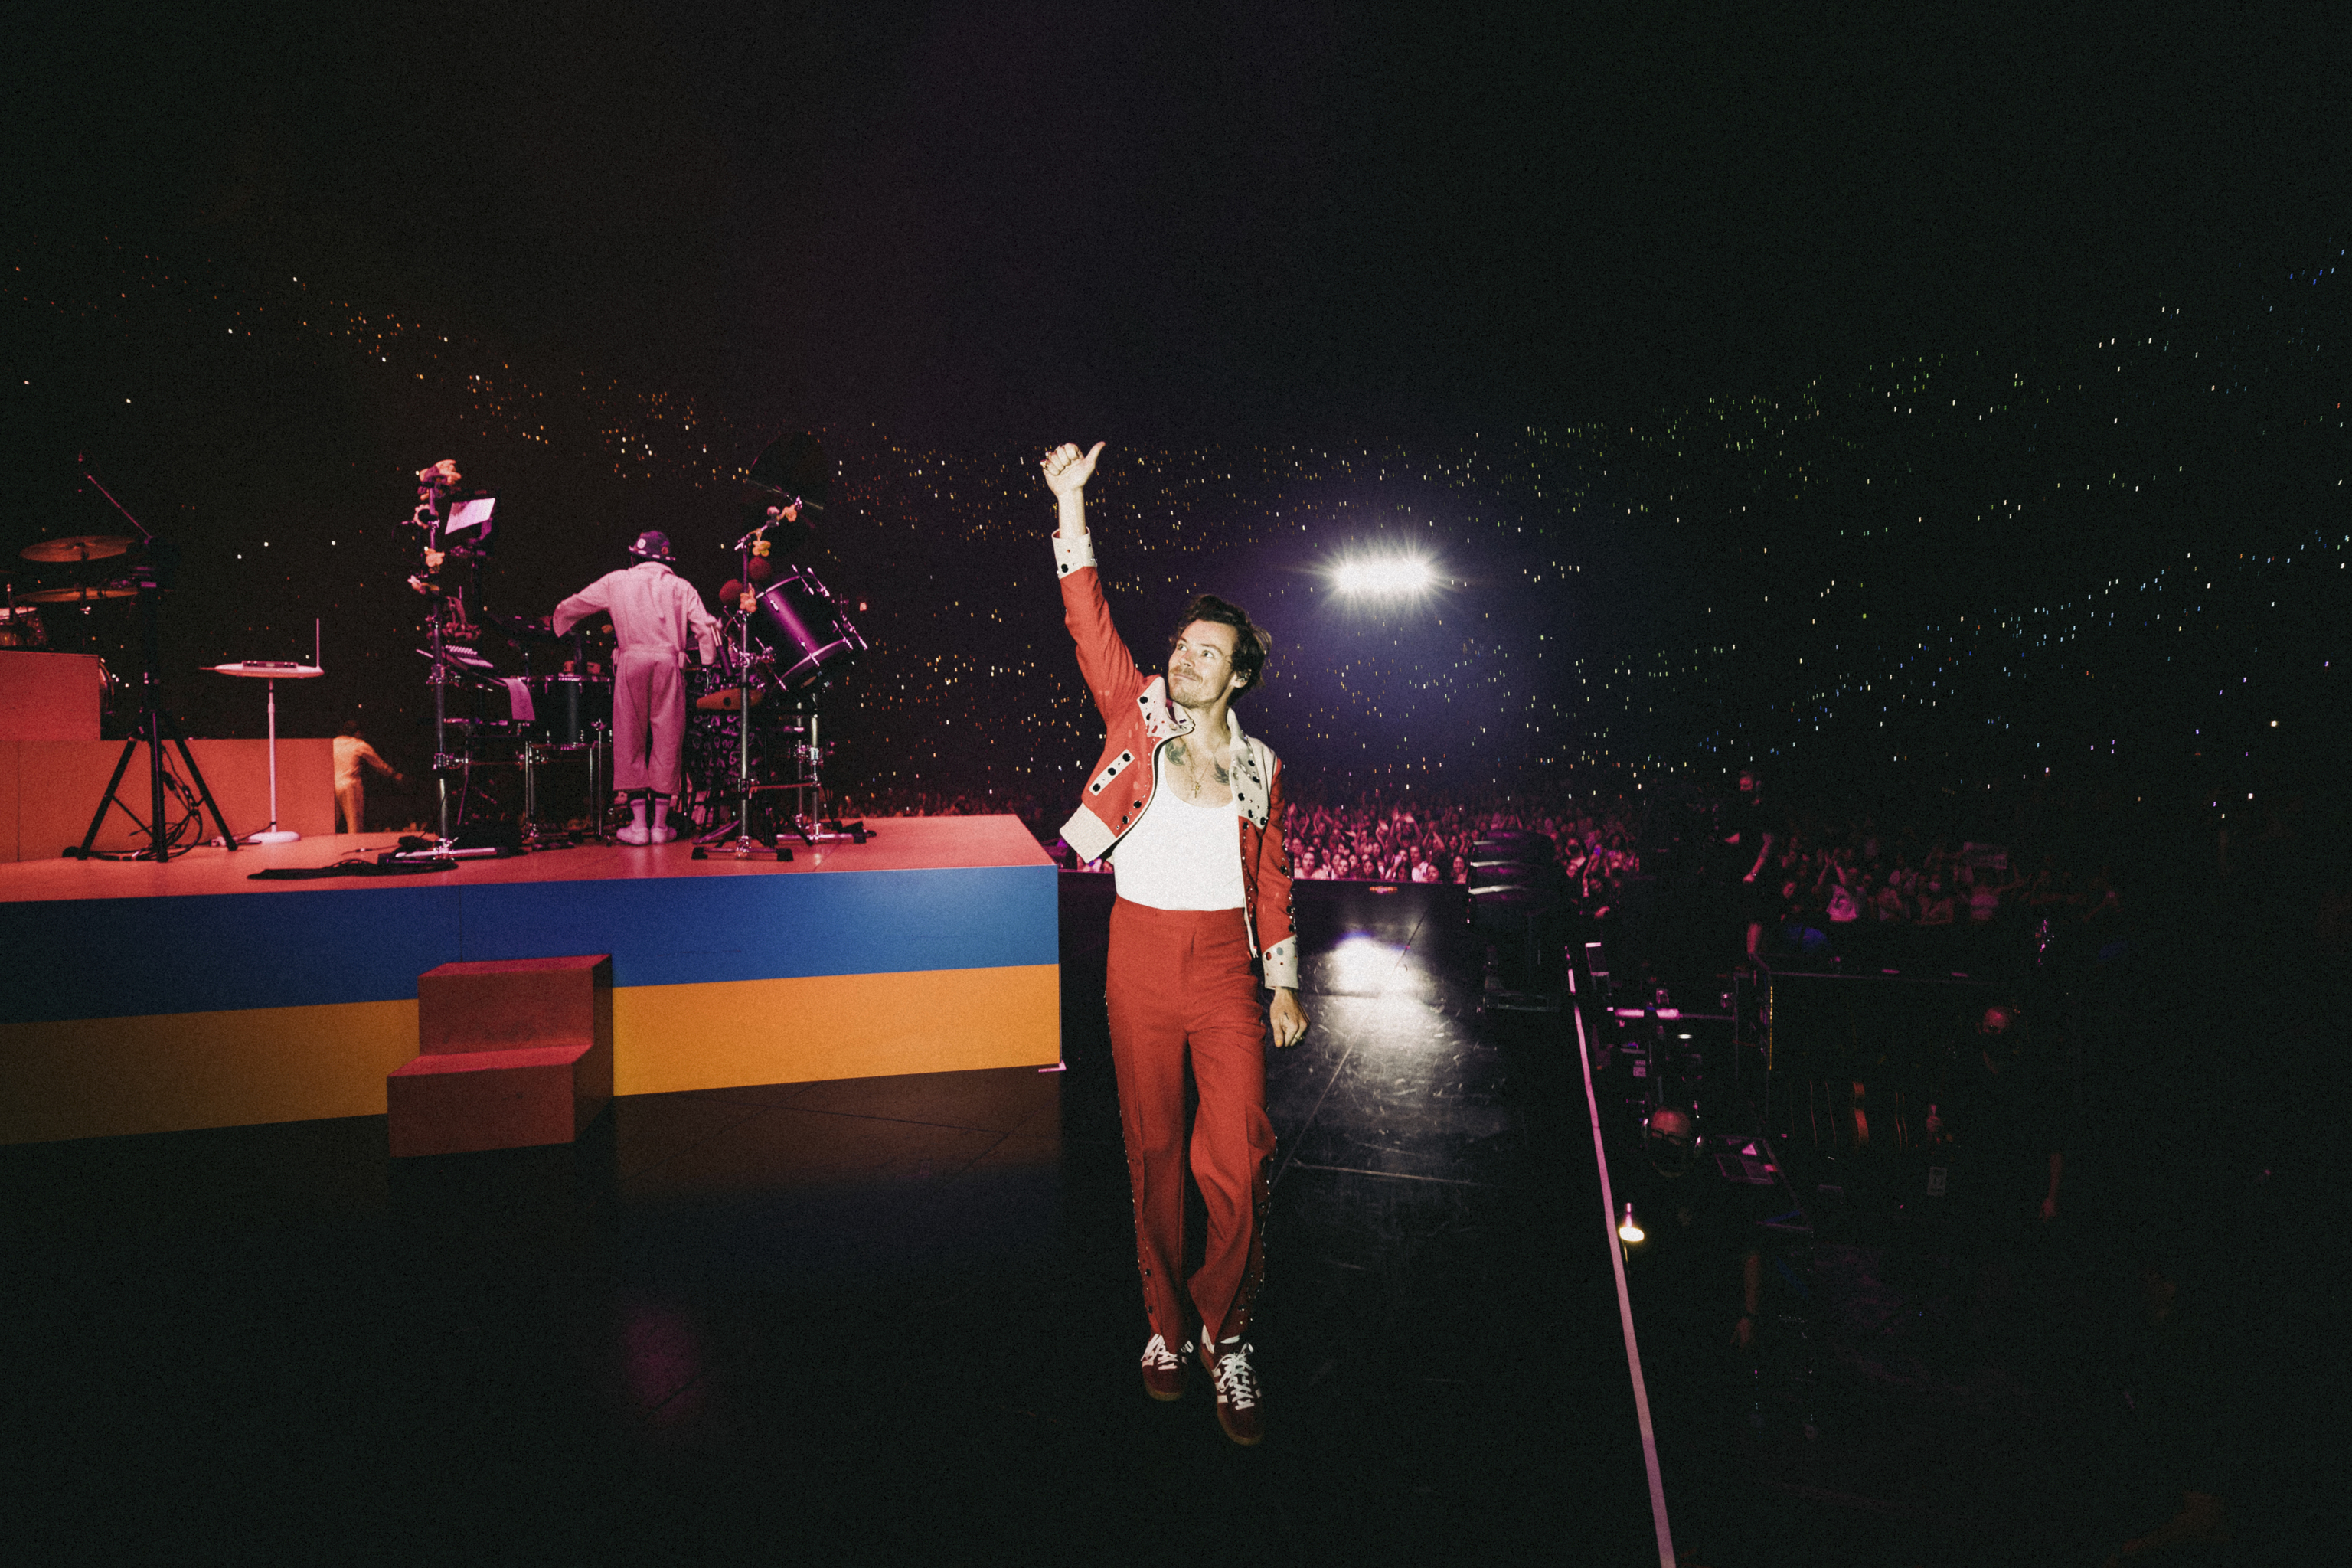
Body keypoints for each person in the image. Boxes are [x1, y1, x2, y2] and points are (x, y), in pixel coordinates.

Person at [1042, 439, 1306, 1448]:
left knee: (1234, 1156)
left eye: (1205, 651)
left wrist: (1280, 983)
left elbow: (1271, 878)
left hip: (1224, 974)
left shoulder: (1263, 767)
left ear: (1237, 674)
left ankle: (1224, 1333)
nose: (1183, 657)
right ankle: (1164, 1329)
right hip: (1140, 956)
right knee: (1153, 1153)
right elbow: (1086, 616)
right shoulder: (1134, 710)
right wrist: (1072, 505)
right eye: (1181, 645)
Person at [554, 529, 721, 844]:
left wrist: (559, 622)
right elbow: (705, 627)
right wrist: (709, 665)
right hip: (669, 663)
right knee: (668, 738)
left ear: (635, 556)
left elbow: (577, 604)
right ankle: (660, 826)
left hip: (631, 662)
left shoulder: (616, 580)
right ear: (668, 559)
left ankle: (638, 825)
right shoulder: (681, 586)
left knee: (630, 738)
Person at [332, 720, 402, 834]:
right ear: (358, 732)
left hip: (331, 785)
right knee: (354, 824)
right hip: (350, 785)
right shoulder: (358, 744)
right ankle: (356, 848)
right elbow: (378, 763)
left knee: (331, 825)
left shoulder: (333, 743)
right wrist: (393, 774)